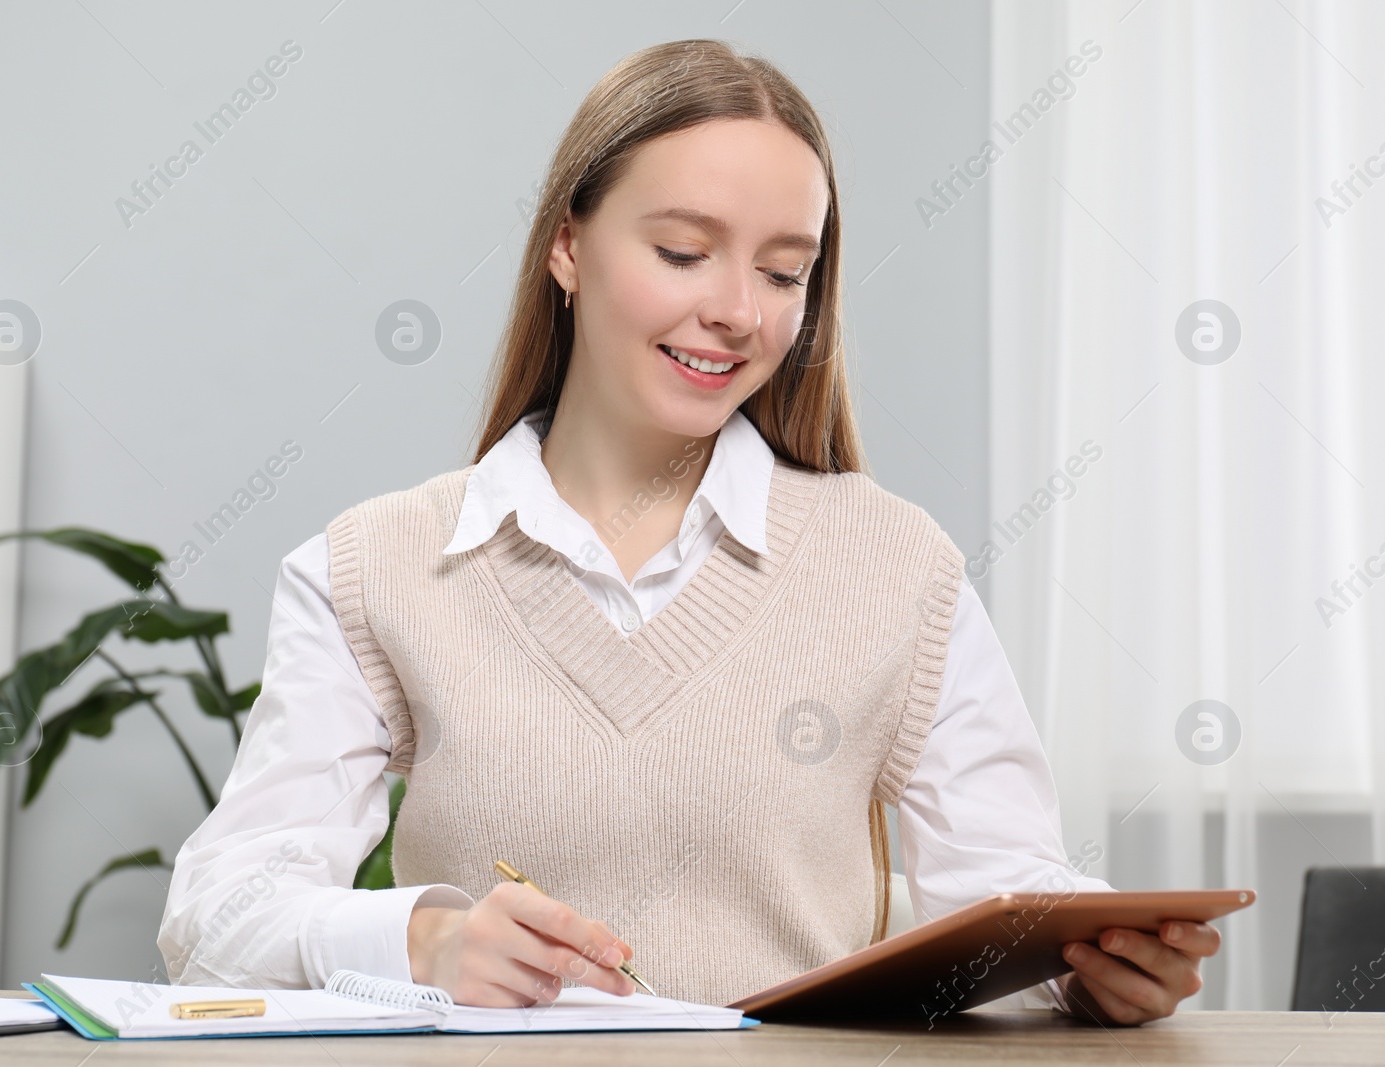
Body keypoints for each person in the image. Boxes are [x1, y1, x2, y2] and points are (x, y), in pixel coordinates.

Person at [158, 38, 1217, 1025]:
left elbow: (1011, 890)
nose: (739, 313)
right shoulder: (373, 566)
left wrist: (1098, 965)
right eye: (682, 250)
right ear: (567, 246)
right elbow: (213, 921)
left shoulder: (897, 567)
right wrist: (425, 938)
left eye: (782, 272)